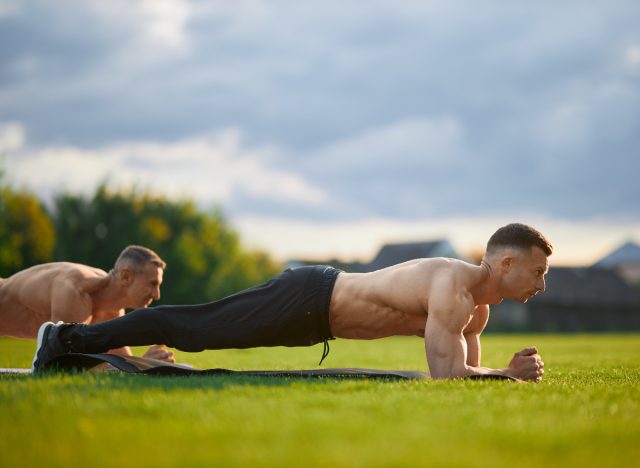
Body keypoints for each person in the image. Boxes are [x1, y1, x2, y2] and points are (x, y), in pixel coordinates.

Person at [33, 223, 550, 381]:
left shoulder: (477, 311)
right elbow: (450, 376)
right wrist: (506, 374)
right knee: (198, 329)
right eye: (537, 271)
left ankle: (72, 343)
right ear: (505, 264)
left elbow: (464, 382)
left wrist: (502, 377)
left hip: (314, 322)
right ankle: (64, 337)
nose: (542, 284)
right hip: (310, 295)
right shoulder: (451, 287)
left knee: (200, 332)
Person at [1, 245, 175, 362]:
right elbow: (57, 363)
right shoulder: (75, 291)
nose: (157, 295)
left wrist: (146, 362)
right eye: (153, 284)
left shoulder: (111, 311)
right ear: (125, 276)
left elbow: (120, 364)